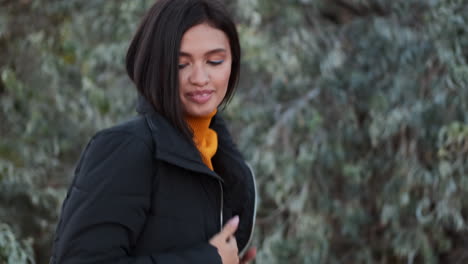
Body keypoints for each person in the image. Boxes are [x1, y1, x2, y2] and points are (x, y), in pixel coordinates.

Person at [49, 0, 257, 263]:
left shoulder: (223, 162)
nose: (200, 78)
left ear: (233, 63)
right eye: (182, 64)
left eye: (215, 61)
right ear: (156, 65)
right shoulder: (126, 149)